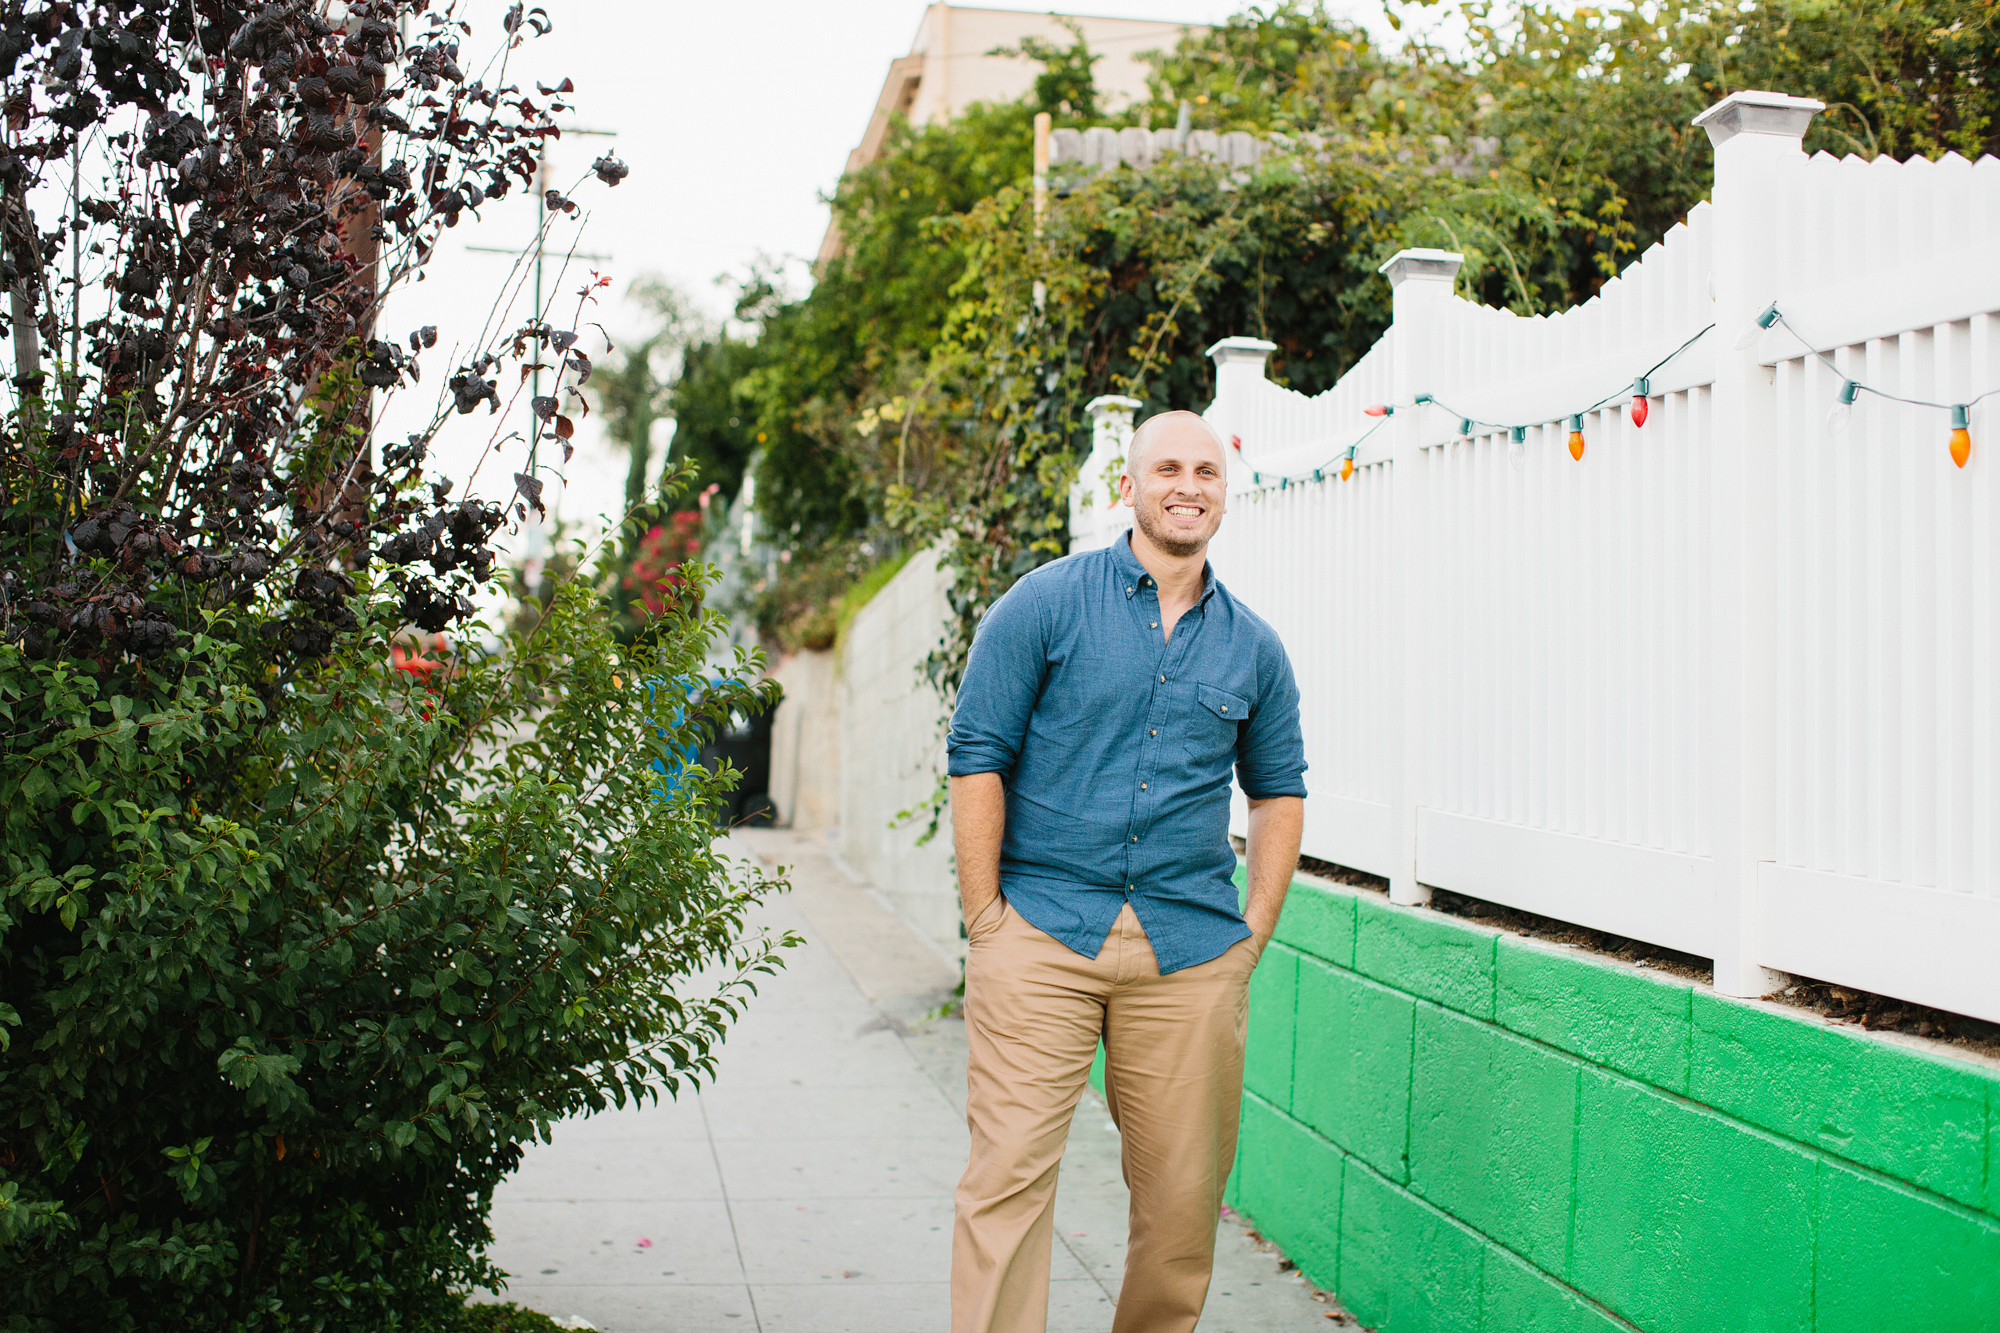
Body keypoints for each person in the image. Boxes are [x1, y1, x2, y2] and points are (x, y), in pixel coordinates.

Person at [945, 409, 1307, 1333]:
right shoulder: (1044, 604)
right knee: (1009, 1178)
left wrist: (1251, 934)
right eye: (1168, 468)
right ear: (1130, 488)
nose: (1189, 485)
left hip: (1189, 951)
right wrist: (985, 916)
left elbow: (1278, 792)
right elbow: (978, 751)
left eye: (1208, 471)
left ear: (1225, 493)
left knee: (1184, 1205)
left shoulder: (1254, 647)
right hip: (1041, 933)